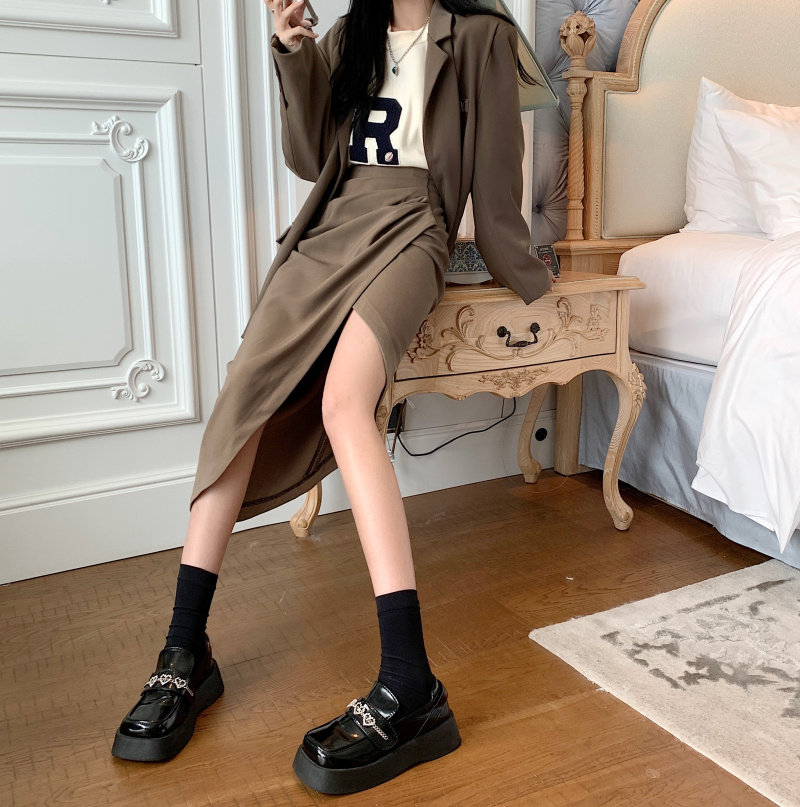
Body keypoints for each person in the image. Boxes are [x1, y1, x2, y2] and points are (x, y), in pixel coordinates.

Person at [111, 0, 554, 794]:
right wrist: (293, 54)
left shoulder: (483, 38)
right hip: (328, 228)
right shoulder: (350, 35)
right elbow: (310, 155)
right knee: (242, 403)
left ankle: (410, 680)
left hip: (413, 229)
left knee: (345, 401)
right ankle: (184, 653)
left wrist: (530, 278)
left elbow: (495, 181)